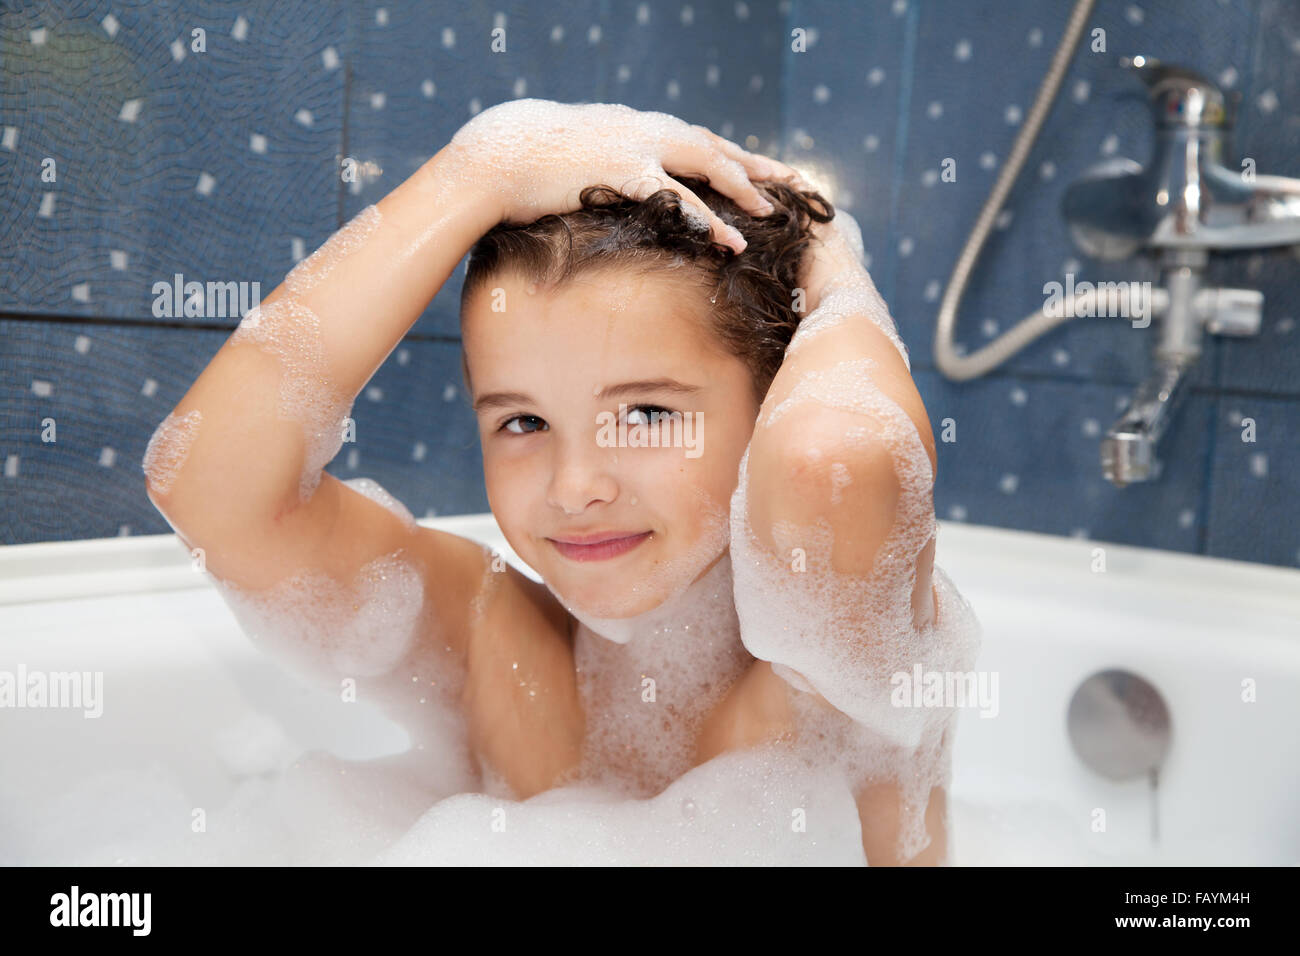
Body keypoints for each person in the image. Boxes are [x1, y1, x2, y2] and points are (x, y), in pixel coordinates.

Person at [144, 100, 970, 865]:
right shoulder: (491, 640)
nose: (576, 488)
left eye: (646, 414)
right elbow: (211, 487)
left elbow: (833, 458)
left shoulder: (833, 663)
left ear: (774, 402)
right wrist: (480, 171)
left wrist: (831, 273)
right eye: (524, 423)